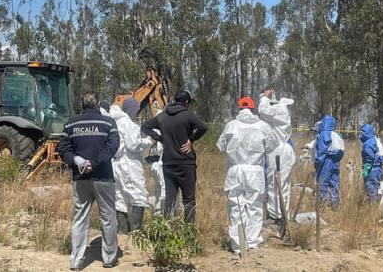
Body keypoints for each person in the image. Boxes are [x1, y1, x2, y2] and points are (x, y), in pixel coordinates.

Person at [57, 91, 120, 270]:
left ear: (82, 104)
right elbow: (113, 146)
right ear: (98, 103)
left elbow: (62, 148)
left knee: (79, 219)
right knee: (108, 218)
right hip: (103, 177)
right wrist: (95, 162)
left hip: (80, 178)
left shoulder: (71, 123)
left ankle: (76, 261)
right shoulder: (108, 123)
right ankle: (109, 259)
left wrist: (77, 160)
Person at [217, 97, 276, 254]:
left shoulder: (231, 125)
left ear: (238, 108)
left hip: (235, 170)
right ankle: (252, 242)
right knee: (255, 206)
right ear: (253, 108)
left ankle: (238, 245)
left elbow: (220, 146)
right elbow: (271, 146)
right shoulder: (263, 126)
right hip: (255, 171)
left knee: (235, 206)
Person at [141, 90, 208, 222]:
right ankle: (189, 232)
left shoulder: (162, 116)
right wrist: (191, 139)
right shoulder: (187, 115)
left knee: (170, 199)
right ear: (186, 102)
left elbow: (145, 127)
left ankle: (167, 229)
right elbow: (203, 127)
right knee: (188, 200)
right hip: (186, 163)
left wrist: (160, 138)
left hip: (168, 163)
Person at [109, 98, 154, 233]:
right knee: (138, 195)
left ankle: (122, 231)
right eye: (136, 109)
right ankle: (135, 232)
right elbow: (133, 144)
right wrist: (149, 141)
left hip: (115, 164)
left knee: (120, 196)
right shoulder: (129, 124)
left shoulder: (114, 122)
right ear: (131, 109)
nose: (137, 112)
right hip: (129, 164)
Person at [258, 89, 296, 223]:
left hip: (279, 150)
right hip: (279, 150)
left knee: (277, 182)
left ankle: (278, 215)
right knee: (278, 182)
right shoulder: (279, 111)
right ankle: (280, 213)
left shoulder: (279, 109)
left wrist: (264, 97)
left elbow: (262, 110)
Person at [314, 115, 345, 208]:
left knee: (322, 183)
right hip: (336, 162)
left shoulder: (324, 134)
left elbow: (322, 151)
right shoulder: (338, 135)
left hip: (326, 161)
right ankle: (335, 205)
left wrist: (317, 163)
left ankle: (321, 206)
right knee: (334, 183)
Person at [360, 124, 383, 201]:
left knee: (371, 191)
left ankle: (373, 208)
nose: (360, 135)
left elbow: (370, 158)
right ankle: (378, 207)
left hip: (372, 170)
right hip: (379, 169)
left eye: (362, 132)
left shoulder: (368, 143)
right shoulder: (376, 140)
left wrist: (366, 170)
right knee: (378, 190)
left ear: (366, 133)